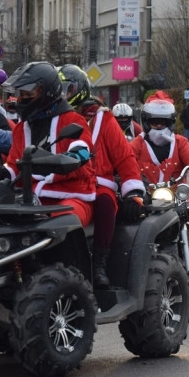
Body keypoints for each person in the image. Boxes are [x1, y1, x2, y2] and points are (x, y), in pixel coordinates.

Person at [58, 65, 142, 288]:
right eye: (60, 90)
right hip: (67, 183)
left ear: (80, 90)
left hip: (98, 184)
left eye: (68, 89)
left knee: (105, 202)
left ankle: (99, 265)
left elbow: (124, 157)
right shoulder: (56, 118)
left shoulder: (103, 119)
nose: (63, 95)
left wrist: (133, 191)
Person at [3, 62, 96, 252]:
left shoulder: (72, 120)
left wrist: (72, 158)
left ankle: (73, 275)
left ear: (46, 92)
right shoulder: (22, 128)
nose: (22, 99)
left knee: (60, 224)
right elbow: (13, 164)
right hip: (31, 199)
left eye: (28, 95)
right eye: (21, 95)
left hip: (72, 196)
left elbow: (83, 148)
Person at [130, 91, 189, 282]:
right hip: (147, 197)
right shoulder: (137, 143)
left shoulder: (180, 142)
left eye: (162, 122)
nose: (158, 126)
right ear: (146, 122)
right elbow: (126, 160)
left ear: (170, 123)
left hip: (176, 195)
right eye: (154, 122)